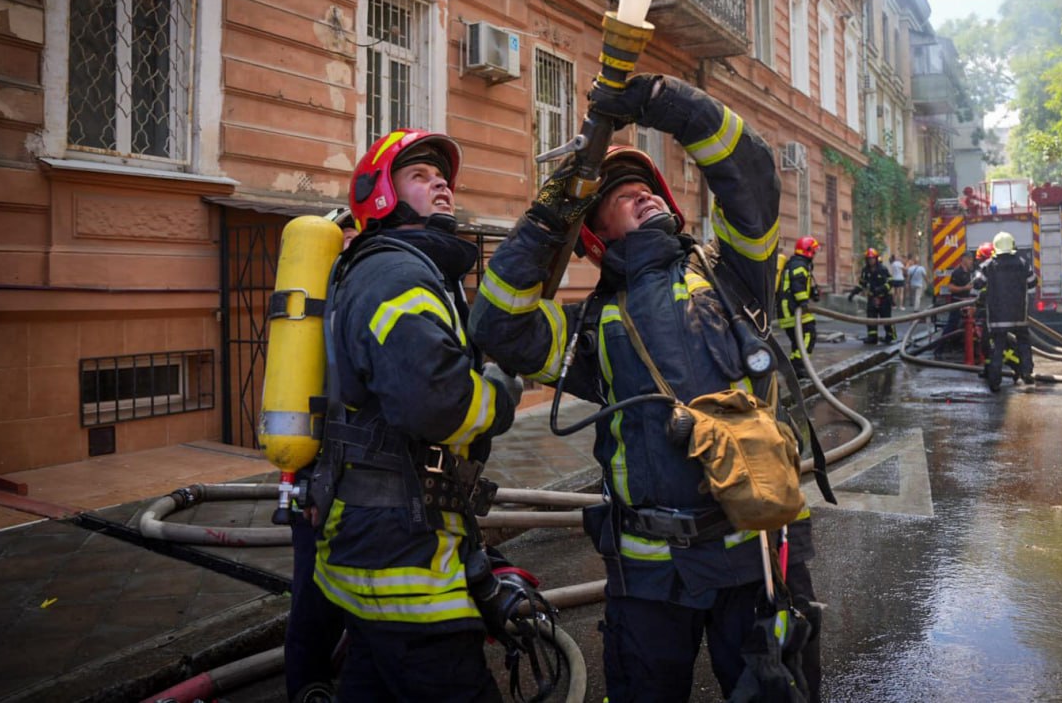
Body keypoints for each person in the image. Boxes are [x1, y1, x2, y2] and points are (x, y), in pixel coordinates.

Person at [469, 74, 820, 703]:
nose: (643, 196)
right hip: (648, 577)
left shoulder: (735, 274)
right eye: (621, 194)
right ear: (596, 235)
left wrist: (660, 102)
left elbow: (752, 169)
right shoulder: (588, 327)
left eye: (647, 189)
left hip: (754, 560)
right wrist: (552, 212)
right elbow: (498, 321)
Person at [311, 130, 524, 702]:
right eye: (421, 176)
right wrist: (502, 390)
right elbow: (437, 403)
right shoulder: (397, 276)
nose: (442, 186)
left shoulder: (412, 271)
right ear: (381, 194)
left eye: (444, 178)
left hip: (377, 548)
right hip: (402, 558)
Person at [283, 211, 356, 703]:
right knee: (315, 600)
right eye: (344, 244)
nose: (352, 252)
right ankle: (309, 689)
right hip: (316, 480)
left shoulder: (365, 302)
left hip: (361, 481)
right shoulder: (318, 319)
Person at [972, 231, 1037, 392]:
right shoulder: (1023, 263)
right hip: (1019, 314)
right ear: (1012, 246)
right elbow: (1032, 282)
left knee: (997, 348)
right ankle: (1027, 372)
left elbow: (977, 284)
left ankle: (995, 381)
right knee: (1024, 343)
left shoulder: (988, 265)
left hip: (997, 316)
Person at [778, 235, 821, 378]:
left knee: (799, 340)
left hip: (791, 308)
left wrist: (811, 294)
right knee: (809, 334)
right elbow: (797, 287)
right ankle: (798, 365)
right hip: (791, 310)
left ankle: (796, 368)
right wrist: (804, 302)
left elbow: (799, 285)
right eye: (813, 251)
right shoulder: (799, 265)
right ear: (808, 251)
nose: (814, 255)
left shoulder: (798, 263)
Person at [848, 248, 896, 344]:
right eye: (869, 259)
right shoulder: (865, 271)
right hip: (872, 298)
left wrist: (881, 289)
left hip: (884, 298)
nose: (871, 261)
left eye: (872, 258)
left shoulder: (882, 269)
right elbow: (862, 284)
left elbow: (890, 282)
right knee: (871, 318)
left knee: (886, 318)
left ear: (876, 258)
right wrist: (853, 293)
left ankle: (890, 336)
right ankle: (872, 337)